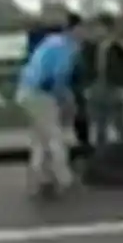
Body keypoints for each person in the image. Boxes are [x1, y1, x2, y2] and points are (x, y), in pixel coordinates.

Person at [16, 13, 85, 199]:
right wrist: (67, 102)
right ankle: (64, 179)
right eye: (81, 30)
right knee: (55, 137)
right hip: (41, 94)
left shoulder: (51, 41)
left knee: (40, 138)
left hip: (25, 91)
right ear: (75, 30)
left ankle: (39, 178)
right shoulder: (67, 47)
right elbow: (58, 79)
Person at [87, 13, 123, 147]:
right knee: (100, 125)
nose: (96, 31)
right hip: (98, 88)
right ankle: (101, 154)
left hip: (113, 88)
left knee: (120, 124)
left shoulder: (117, 48)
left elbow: (122, 69)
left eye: (99, 27)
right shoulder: (92, 47)